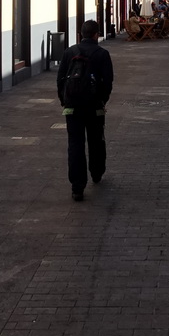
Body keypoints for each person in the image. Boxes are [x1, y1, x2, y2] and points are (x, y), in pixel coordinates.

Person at [56, 20, 114, 202]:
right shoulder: (102, 54)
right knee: (96, 140)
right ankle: (97, 172)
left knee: (75, 144)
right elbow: (108, 82)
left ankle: (77, 186)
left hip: (73, 107)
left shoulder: (69, 52)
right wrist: (102, 101)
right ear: (96, 34)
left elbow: (60, 80)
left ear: (80, 34)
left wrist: (64, 102)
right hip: (94, 106)